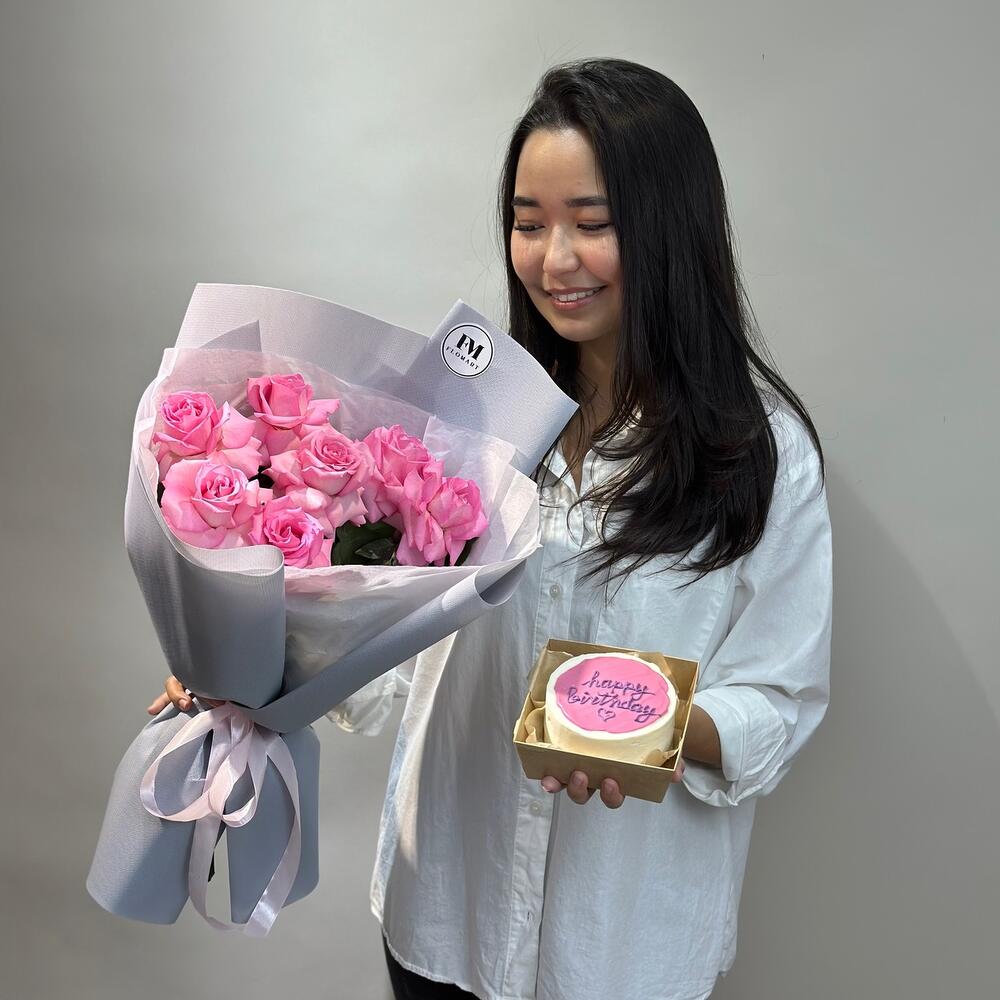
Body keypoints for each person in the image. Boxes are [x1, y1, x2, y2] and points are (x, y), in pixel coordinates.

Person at [149, 57, 832, 1000]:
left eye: (593, 223)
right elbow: (386, 648)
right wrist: (248, 657)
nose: (554, 260)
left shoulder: (762, 454)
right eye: (528, 222)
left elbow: (781, 698)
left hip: (622, 947)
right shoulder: (470, 418)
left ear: (670, 225)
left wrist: (644, 726)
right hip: (446, 914)